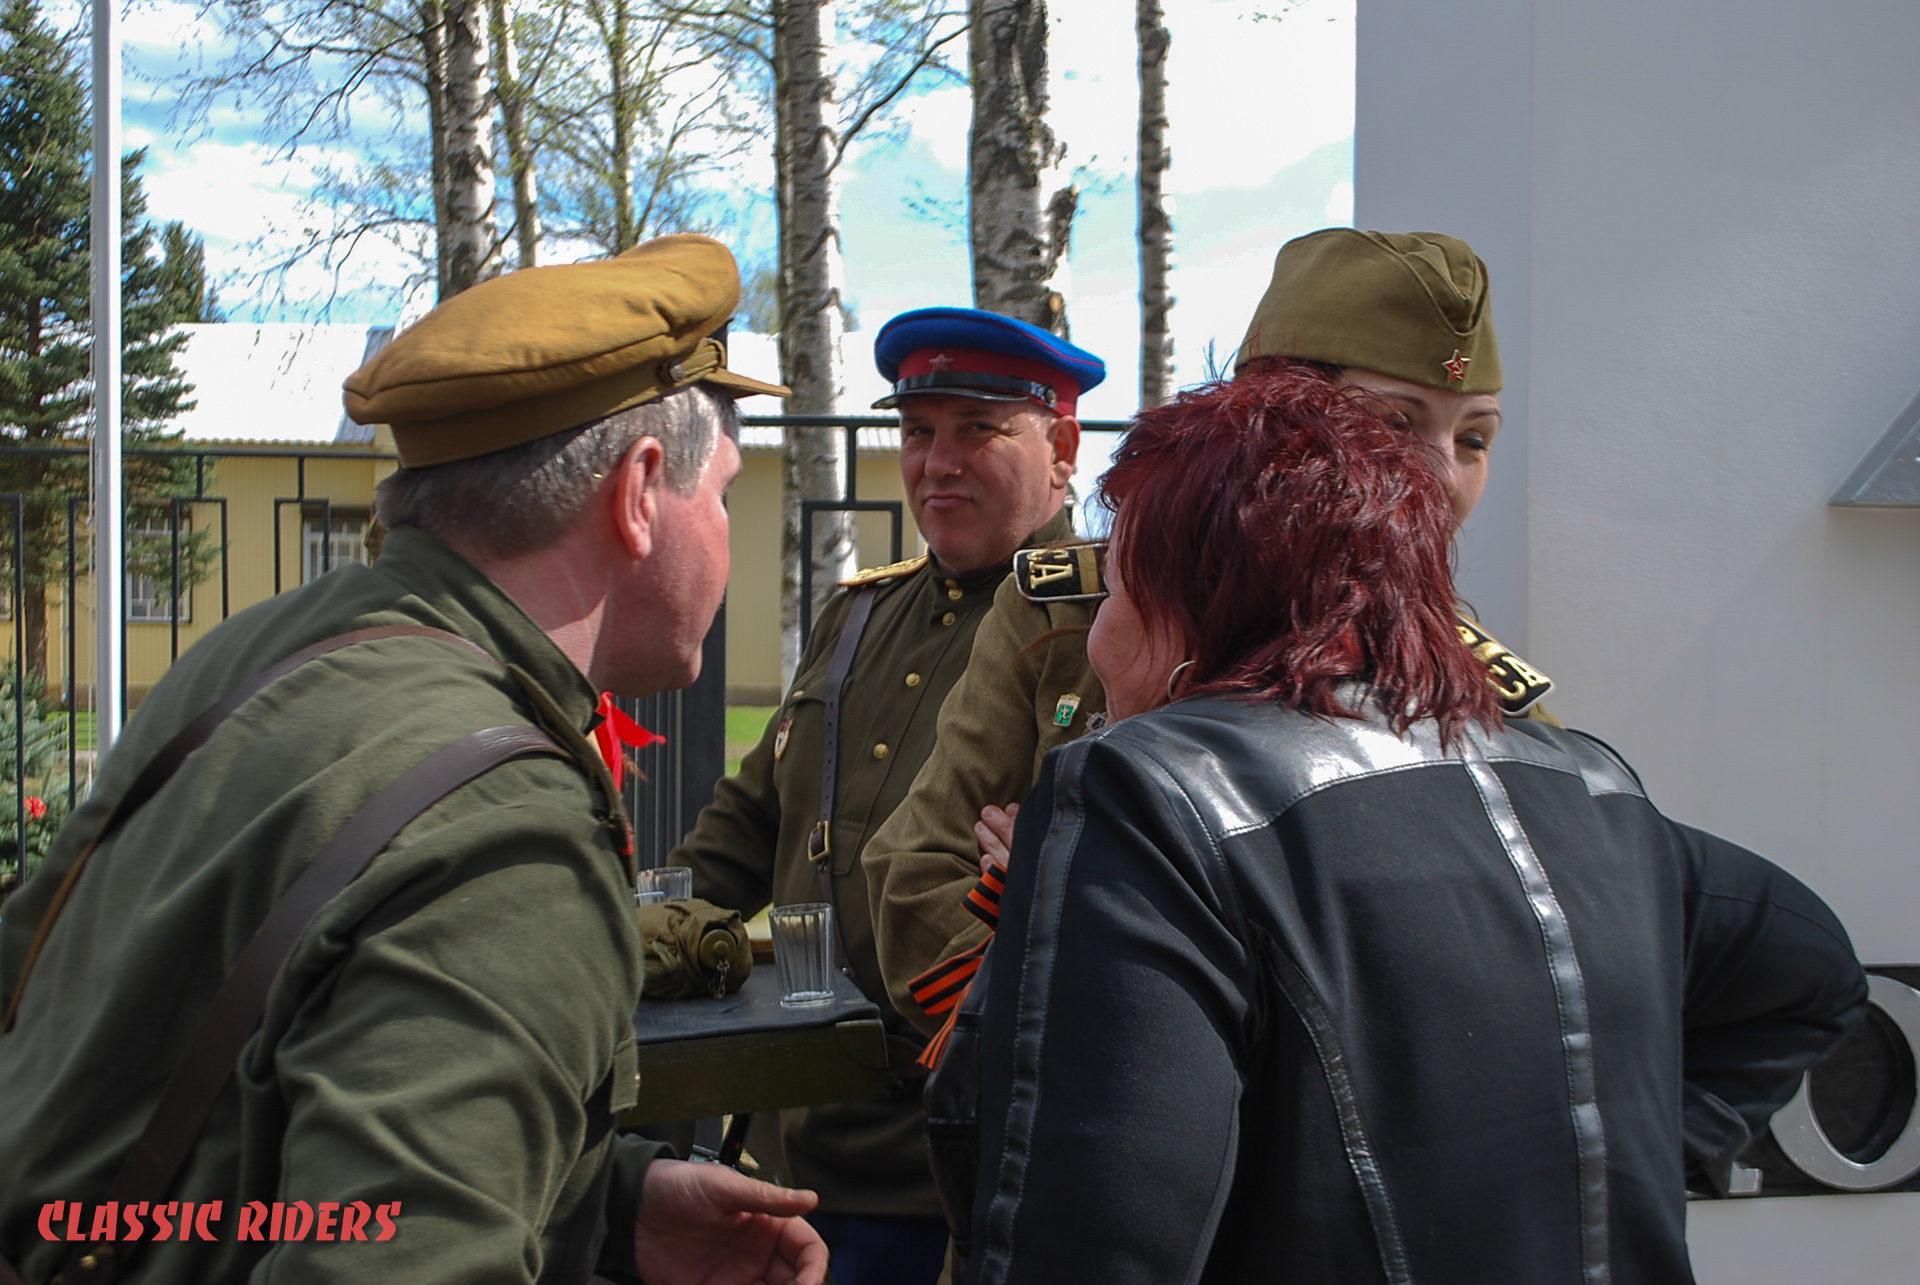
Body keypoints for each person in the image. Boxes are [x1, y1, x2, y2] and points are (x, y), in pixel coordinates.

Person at [0, 235, 827, 1285]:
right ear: (640, 490)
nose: (725, 530)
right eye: (725, 493)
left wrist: (604, 1207)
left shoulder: (260, 649)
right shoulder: (508, 840)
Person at [930, 365, 1868, 1283]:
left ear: (1183, 605)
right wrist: (1627, 1167)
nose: (1096, 633)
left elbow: (1091, 1234)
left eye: (1116, 590)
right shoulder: (1589, 783)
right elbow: (1813, 964)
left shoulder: (1152, 793)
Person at [865, 228, 1552, 1042]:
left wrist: (1070, 895)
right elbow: (913, 881)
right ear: (1267, 424)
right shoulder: (1067, 611)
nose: (1440, 476)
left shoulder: (1480, 689)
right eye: (1393, 426)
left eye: (1474, 438)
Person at [669, 307, 1103, 1285]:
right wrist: (641, 937)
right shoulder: (860, 615)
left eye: (978, 429)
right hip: (798, 1140)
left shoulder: (1097, 628)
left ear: (1064, 447)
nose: (937, 462)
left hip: (955, 1160)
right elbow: (752, 822)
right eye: (917, 431)